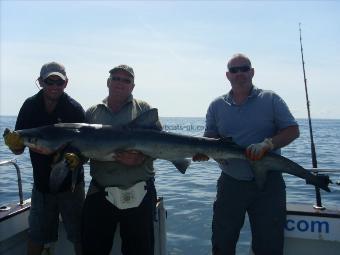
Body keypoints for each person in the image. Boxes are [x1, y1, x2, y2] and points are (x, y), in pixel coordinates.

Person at [194, 53, 300, 255]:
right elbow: (209, 138)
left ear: (252, 72)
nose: (239, 73)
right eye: (234, 70)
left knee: (269, 245)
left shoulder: (271, 99)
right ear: (228, 75)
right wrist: (202, 153)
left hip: (269, 185)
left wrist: (268, 144)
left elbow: (293, 130)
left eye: (244, 68)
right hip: (231, 183)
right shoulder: (216, 105)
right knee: (222, 243)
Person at [3, 62, 85, 255]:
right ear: (40, 82)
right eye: (50, 81)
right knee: (36, 236)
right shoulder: (30, 106)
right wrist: (14, 144)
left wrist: (79, 158)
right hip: (42, 186)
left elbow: (88, 149)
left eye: (60, 82)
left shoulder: (74, 109)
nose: (55, 86)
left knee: (81, 235)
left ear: (66, 83)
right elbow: (19, 150)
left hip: (71, 187)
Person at [81, 64, 162, 255]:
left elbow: (161, 145)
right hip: (100, 192)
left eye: (126, 80)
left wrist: (140, 159)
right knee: (93, 249)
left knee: (140, 251)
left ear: (132, 86)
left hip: (140, 192)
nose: (120, 83)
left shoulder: (144, 110)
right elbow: (82, 151)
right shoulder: (92, 112)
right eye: (116, 78)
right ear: (108, 82)